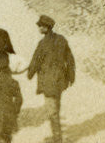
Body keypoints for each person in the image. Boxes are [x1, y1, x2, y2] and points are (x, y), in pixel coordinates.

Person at [26, 14, 75, 143]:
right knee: (56, 107)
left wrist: (29, 73)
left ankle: (57, 138)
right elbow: (70, 59)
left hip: (48, 82)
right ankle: (57, 135)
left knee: (51, 111)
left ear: (46, 28)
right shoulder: (62, 40)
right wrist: (71, 76)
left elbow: (35, 61)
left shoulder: (42, 44)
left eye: (40, 26)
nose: (39, 28)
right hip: (60, 81)